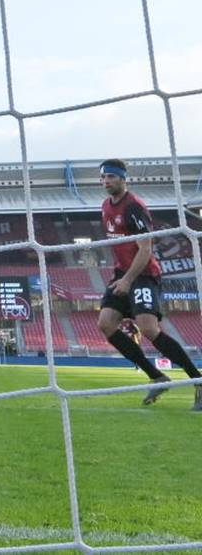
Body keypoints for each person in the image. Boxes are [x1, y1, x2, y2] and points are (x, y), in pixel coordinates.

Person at [97, 159, 201, 410]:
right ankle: (156, 376)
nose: (106, 181)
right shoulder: (105, 206)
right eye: (103, 177)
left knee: (148, 327)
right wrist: (122, 277)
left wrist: (128, 280)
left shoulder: (134, 207)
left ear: (123, 179)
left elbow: (146, 249)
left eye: (111, 176)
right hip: (122, 273)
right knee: (105, 324)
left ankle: (198, 380)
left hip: (142, 274)